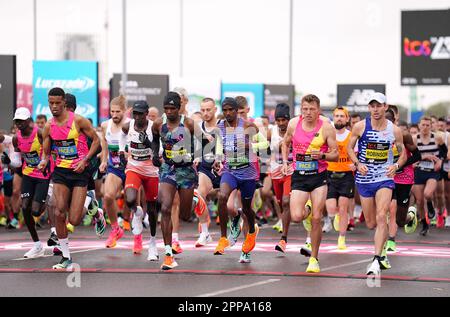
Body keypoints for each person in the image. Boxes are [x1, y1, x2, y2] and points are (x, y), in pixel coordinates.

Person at [39, 87, 101, 270]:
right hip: (61, 172)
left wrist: (86, 160)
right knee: (58, 212)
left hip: (79, 171)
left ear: (65, 102)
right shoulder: (49, 126)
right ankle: (66, 257)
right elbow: (46, 152)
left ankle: (89, 202)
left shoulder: (78, 121)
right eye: (51, 103)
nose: (54, 106)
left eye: (58, 103)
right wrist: (44, 161)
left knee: (73, 219)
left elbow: (96, 141)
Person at [347, 92, 406, 276]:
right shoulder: (360, 126)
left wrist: (396, 165)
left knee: (382, 216)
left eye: (378, 105)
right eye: (372, 106)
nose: (375, 109)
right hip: (364, 179)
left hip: (384, 178)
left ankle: (376, 259)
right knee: (371, 223)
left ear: (385, 107)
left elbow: (403, 153)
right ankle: (382, 250)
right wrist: (358, 163)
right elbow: (349, 147)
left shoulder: (394, 130)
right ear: (369, 108)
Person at [281, 94, 338, 273]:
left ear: (318, 110)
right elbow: (285, 143)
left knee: (316, 219)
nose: (308, 113)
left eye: (312, 109)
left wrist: (321, 155)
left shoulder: (327, 127)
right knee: (297, 216)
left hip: (319, 176)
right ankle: (308, 207)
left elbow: (335, 154)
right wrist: (285, 162)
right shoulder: (293, 124)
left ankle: (314, 258)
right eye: (305, 109)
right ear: (301, 110)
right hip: (299, 176)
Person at [213, 97, 265, 263]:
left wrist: (250, 146)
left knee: (247, 211)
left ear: (236, 111)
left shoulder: (248, 126)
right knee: (222, 197)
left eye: (231, 110)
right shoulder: (220, 126)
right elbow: (221, 146)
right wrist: (218, 158)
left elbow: (265, 145)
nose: (228, 113)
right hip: (230, 171)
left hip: (248, 173)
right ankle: (223, 238)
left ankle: (249, 239)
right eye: (225, 110)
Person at [152, 91, 199, 270]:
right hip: (168, 169)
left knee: (186, 215)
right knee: (165, 207)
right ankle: (168, 255)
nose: (169, 112)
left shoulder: (188, 123)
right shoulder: (158, 124)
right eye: (166, 108)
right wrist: (155, 154)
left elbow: (204, 142)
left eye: (173, 108)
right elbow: (155, 141)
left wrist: (196, 156)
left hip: (186, 170)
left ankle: (196, 199)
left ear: (179, 108)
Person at [0, 108, 51, 258]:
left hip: (43, 174)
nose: (19, 124)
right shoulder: (16, 138)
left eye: (22, 121)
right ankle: (37, 245)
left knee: (36, 210)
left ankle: (49, 195)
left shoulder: (40, 133)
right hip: (28, 174)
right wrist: (8, 162)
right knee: (24, 207)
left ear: (29, 120)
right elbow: (16, 162)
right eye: (17, 121)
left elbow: (50, 151)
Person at [119, 100, 160, 260]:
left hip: (151, 171)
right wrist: (122, 152)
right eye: (134, 113)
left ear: (146, 114)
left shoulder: (153, 127)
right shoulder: (128, 126)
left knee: (152, 209)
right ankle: (137, 213)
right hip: (134, 167)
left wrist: (148, 143)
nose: (136, 117)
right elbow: (121, 136)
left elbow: (159, 148)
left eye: (140, 114)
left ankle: (152, 243)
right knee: (129, 199)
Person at [384, 108, 420, 249]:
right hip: (387, 178)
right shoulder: (375, 135)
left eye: (389, 120)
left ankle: (411, 215)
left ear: (394, 121)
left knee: (400, 220)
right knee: (390, 209)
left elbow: (417, 156)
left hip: (404, 178)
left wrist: (400, 165)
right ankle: (391, 240)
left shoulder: (403, 135)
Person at [100, 95, 129, 248]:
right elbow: (104, 143)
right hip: (115, 167)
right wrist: (104, 161)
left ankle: (137, 234)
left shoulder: (131, 125)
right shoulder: (106, 125)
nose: (115, 115)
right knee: (108, 196)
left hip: (132, 168)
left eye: (118, 112)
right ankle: (115, 229)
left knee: (132, 203)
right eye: (112, 112)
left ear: (124, 111)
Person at [411, 116, 447, 236]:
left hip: (432, 171)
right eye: (423, 125)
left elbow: (444, 151)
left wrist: (440, 161)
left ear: (431, 126)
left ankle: (431, 207)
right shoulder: (415, 139)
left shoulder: (437, 137)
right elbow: (411, 154)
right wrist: (414, 162)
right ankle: (424, 224)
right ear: (419, 126)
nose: (425, 127)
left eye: (427, 125)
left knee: (427, 194)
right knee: (420, 201)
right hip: (419, 171)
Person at [325, 106, 354, 250]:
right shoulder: (328, 134)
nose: (339, 118)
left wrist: (355, 164)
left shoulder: (351, 135)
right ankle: (335, 216)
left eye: (342, 116)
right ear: (333, 118)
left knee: (343, 208)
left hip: (346, 175)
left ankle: (342, 238)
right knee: (331, 207)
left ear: (347, 119)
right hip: (329, 173)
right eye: (337, 116)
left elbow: (357, 154)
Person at [195, 97, 220, 247]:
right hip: (205, 168)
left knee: (230, 205)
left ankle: (238, 222)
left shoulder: (223, 126)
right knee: (198, 195)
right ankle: (204, 233)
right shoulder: (198, 127)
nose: (205, 113)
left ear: (215, 110)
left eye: (208, 110)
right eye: (203, 110)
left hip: (224, 169)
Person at [269, 103, 294, 253]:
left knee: (286, 202)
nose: (281, 123)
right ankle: (286, 219)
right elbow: (260, 144)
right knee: (280, 202)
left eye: (283, 120)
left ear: (288, 119)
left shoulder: (294, 131)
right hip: (275, 171)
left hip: (290, 170)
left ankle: (283, 238)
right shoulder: (271, 131)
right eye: (278, 120)